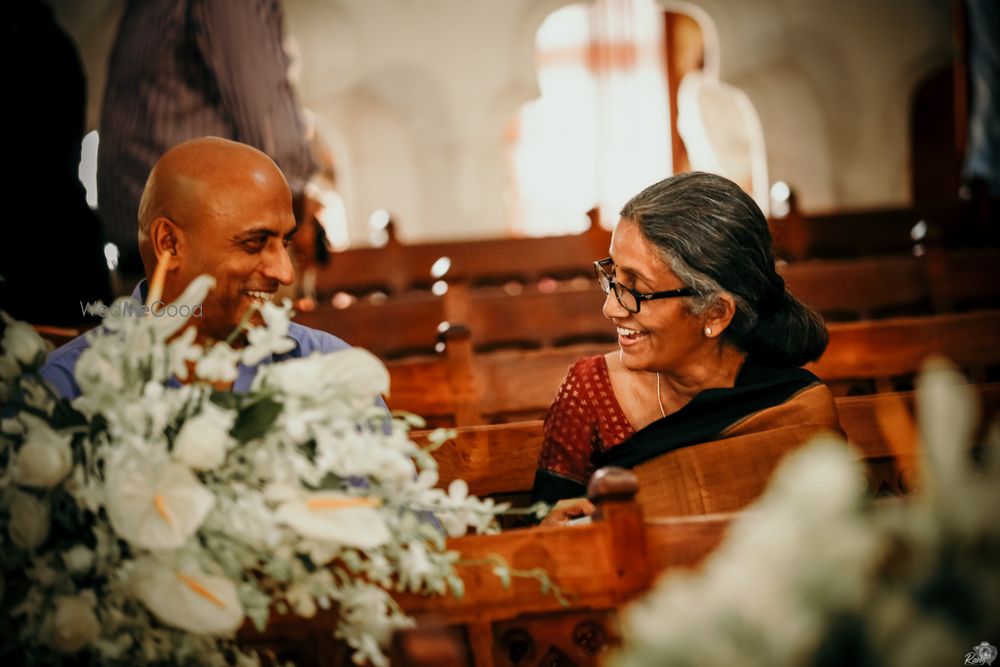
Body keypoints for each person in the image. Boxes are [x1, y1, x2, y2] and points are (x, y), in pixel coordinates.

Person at [532, 171, 839, 524]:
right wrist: (549, 528)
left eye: (637, 289)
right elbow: (541, 541)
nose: (611, 308)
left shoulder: (795, 410)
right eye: (613, 277)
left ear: (715, 312)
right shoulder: (591, 393)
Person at [42, 137, 349, 400]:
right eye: (254, 243)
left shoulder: (331, 367)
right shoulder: (62, 392)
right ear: (169, 244)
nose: (285, 273)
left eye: (285, 242)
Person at [97, 0, 317, 276]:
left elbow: (267, 120)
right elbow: (266, 114)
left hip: (210, 254)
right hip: (168, 251)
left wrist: (291, 210)